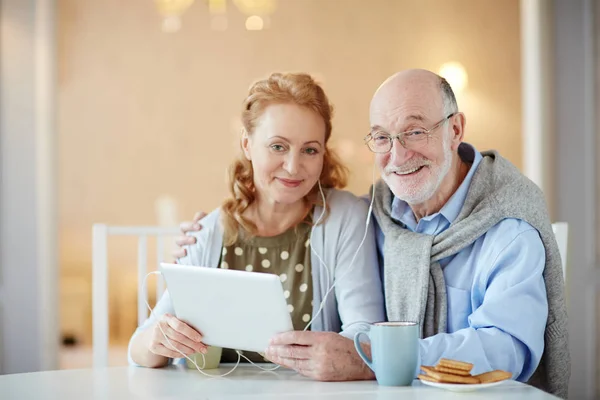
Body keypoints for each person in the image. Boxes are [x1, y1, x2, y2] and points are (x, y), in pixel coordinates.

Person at [177, 69, 570, 397]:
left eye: (415, 132)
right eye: (382, 137)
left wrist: (375, 358)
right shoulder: (378, 214)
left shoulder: (509, 228)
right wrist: (204, 235)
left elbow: (507, 348)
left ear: (455, 129)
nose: (398, 156)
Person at [128, 72, 384, 372]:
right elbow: (140, 346)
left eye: (310, 150)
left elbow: (366, 334)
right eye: (278, 146)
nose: (292, 166)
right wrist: (158, 341)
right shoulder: (209, 233)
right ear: (247, 145)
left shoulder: (344, 218)